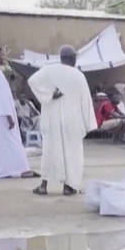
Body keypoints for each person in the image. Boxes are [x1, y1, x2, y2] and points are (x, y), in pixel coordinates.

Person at [28, 45, 97, 196]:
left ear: (61, 57)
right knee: (72, 153)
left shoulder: (49, 70)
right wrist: (89, 124)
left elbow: (32, 81)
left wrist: (49, 95)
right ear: (73, 59)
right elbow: (86, 100)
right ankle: (69, 187)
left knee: (49, 151)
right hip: (72, 121)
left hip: (52, 120)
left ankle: (43, 186)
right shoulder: (78, 75)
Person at [0, 45, 37, 179]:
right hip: (1, 116)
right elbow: (1, 97)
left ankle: (3, 170)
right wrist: (9, 117)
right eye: (2, 54)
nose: (4, 57)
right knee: (11, 142)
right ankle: (22, 169)